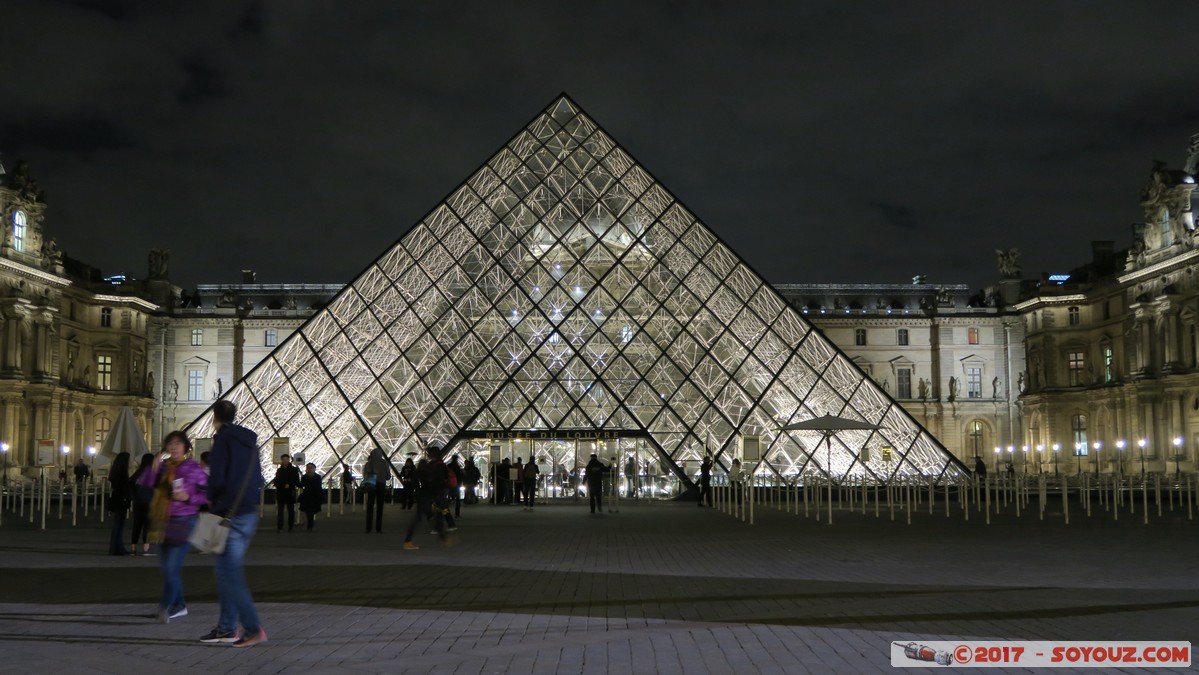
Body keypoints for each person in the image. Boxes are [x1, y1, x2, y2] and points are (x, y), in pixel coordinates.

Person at [201, 400, 267, 647]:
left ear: (215, 417)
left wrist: (210, 499)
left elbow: (217, 478)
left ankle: (252, 628)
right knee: (227, 571)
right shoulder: (250, 442)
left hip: (230, 513)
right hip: (248, 513)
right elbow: (259, 477)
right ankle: (226, 628)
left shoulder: (223, 440)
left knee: (229, 573)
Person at [140, 431, 207, 624]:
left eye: (178, 443)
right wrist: (152, 468)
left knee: (171, 567)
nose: (173, 447)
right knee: (169, 569)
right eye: (170, 443)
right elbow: (146, 484)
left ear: (186, 446)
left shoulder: (193, 467)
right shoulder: (163, 467)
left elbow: (208, 494)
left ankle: (165, 606)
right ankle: (180, 605)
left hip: (185, 520)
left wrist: (189, 497)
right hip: (163, 521)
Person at [403, 442, 452, 550]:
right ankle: (408, 541)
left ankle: (443, 538)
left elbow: (417, 479)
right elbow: (440, 481)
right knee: (428, 517)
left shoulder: (427, 466)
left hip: (424, 496)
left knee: (430, 517)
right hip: (431, 496)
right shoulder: (438, 466)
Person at [107, 451, 132, 555]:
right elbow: (123, 488)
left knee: (118, 525)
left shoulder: (115, 471)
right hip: (121, 500)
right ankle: (116, 548)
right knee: (119, 525)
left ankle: (117, 547)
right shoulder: (122, 473)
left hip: (116, 499)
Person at [130, 453, 155, 555]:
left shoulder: (137, 473)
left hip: (137, 502)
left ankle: (133, 548)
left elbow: (131, 484)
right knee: (147, 525)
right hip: (149, 502)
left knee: (137, 525)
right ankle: (146, 548)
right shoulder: (152, 473)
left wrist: (134, 496)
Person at [270, 454, 301, 533]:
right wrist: (283, 485)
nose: (285, 461)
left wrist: (289, 485)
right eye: (283, 459)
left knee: (290, 510)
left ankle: (290, 525)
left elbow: (296, 481)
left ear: (289, 460)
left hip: (289, 492)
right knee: (281, 511)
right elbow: (277, 481)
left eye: (286, 459)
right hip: (281, 493)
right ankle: (280, 526)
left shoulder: (293, 470)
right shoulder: (279, 470)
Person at [364, 447, 390, 533]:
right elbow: (388, 477)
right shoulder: (385, 463)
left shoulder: (370, 463)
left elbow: (366, 474)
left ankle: (368, 527)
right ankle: (378, 528)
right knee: (380, 507)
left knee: (370, 506)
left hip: (372, 485)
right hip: (381, 485)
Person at [298, 462, 323, 531]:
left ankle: (310, 525)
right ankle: (310, 525)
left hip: (314, 496)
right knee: (309, 511)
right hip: (307, 496)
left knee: (310, 511)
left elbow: (319, 487)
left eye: (310, 468)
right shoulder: (305, 477)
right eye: (308, 468)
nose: (309, 469)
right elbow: (301, 485)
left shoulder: (317, 477)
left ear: (314, 469)